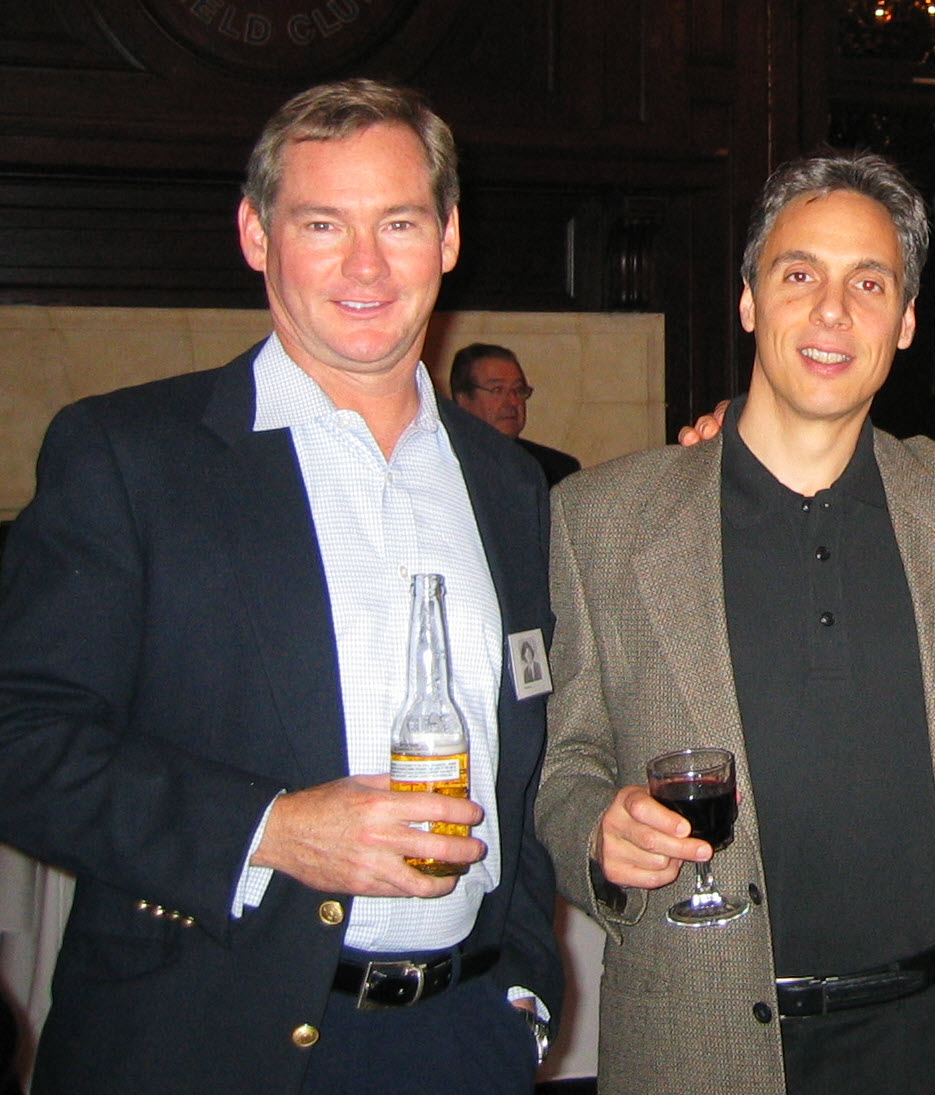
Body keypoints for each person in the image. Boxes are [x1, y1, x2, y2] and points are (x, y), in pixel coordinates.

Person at [0, 79, 561, 1094]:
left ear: (447, 238)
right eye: (321, 223)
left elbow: (524, 764)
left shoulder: (508, 484)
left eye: (399, 223)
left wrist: (518, 996)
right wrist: (271, 829)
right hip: (203, 1042)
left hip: (461, 1039)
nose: (365, 265)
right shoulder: (131, 456)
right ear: (257, 235)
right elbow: (20, 740)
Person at [536, 149, 935, 1095]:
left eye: (868, 283)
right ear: (749, 300)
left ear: (907, 321)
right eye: (799, 276)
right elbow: (559, 759)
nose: (832, 312)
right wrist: (595, 830)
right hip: (698, 1040)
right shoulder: (602, 518)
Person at [449, 342, 582, 486]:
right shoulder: (444, 464)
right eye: (497, 390)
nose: (513, 401)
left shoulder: (556, 470)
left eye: (518, 390)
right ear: (463, 399)